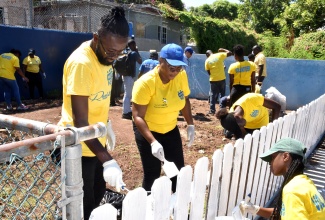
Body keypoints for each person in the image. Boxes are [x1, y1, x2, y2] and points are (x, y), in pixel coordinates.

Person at [57, 7, 129, 219]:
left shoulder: (105, 58)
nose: (113, 57)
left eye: (119, 52)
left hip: (96, 141)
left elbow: (99, 98)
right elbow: (80, 122)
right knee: (79, 206)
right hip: (78, 147)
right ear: (96, 38)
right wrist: (107, 159)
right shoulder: (82, 63)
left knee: (97, 195)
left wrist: (107, 124)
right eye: (110, 51)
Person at [132, 43, 195, 193]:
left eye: (179, 68)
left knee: (177, 172)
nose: (176, 72)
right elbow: (137, 116)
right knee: (152, 173)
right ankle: (146, 209)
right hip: (148, 131)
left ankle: (174, 209)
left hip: (170, 129)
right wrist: (153, 142)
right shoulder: (146, 83)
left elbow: (185, 100)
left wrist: (190, 124)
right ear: (161, 61)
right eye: (172, 68)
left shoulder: (181, 76)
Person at [240, 137, 325, 219]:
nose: (270, 163)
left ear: (285, 157)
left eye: (272, 157)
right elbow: (284, 213)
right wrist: (255, 209)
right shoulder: (305, 182)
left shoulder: (292, 191)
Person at [216, 93, 281, 139]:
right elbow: (242, 134)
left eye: (240, 127)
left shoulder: (251, 99)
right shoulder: (235, 120)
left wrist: (273, 127)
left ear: (235, 115)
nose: (241, 128)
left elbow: (277, 107)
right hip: (248, 125)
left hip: (261, 122)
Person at [205, 48, 232, 115]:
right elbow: (230, 53)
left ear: (207, 55)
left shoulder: (207, 61)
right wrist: (223, 49)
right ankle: (222, 109)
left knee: (213, 95)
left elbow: (209, 72)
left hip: (213, 80)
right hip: (222, 79)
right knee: (222, 94)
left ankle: (212, 110)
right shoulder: (218, 55)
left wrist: (213, 76)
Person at [121, 39, 142, 120]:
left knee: (128, 94)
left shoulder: (126, 52)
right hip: (129, 76)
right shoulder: (133, 53)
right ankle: (126, 112)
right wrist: (137, 50)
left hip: (125, 75)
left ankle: (127, 111)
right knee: (128, 95)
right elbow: (140, 61)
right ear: (133, 45)